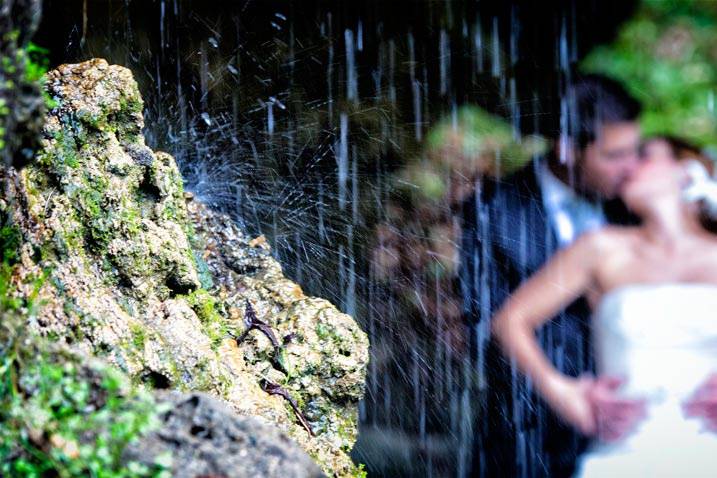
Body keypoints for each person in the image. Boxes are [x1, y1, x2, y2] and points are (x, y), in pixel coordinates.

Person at [461, 73, 644, 477]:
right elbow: (483, 320)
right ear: (566, 148)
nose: (631, 167)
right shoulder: (495, 208)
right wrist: (561, 391)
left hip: (636, 420)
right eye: (614, 155)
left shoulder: (635, 205)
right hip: (528, 431)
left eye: (636, 151)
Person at [492, 151, 717, 476]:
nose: (628, 165)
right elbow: (509, 321)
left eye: (645, 156)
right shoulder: (599, 248)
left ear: (687, 171)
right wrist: (563, 392)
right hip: (623, 453)